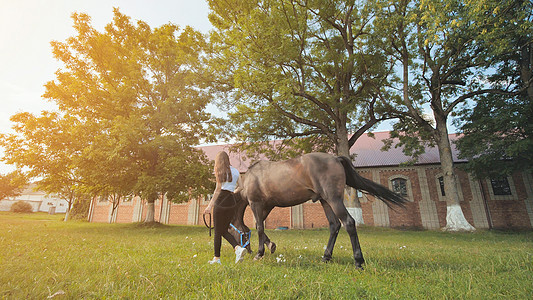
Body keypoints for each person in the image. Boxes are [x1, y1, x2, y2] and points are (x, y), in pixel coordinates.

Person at [204, 151, 247, 264]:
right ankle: (238, 248)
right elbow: (241, 187)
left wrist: (209, 206)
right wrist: (233, 192)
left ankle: (216, 259)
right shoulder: (236, 171)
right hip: (231, 201)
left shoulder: (220, 171)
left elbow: (218, 190)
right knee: (223, 230)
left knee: (218, 231)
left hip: (221, 201)